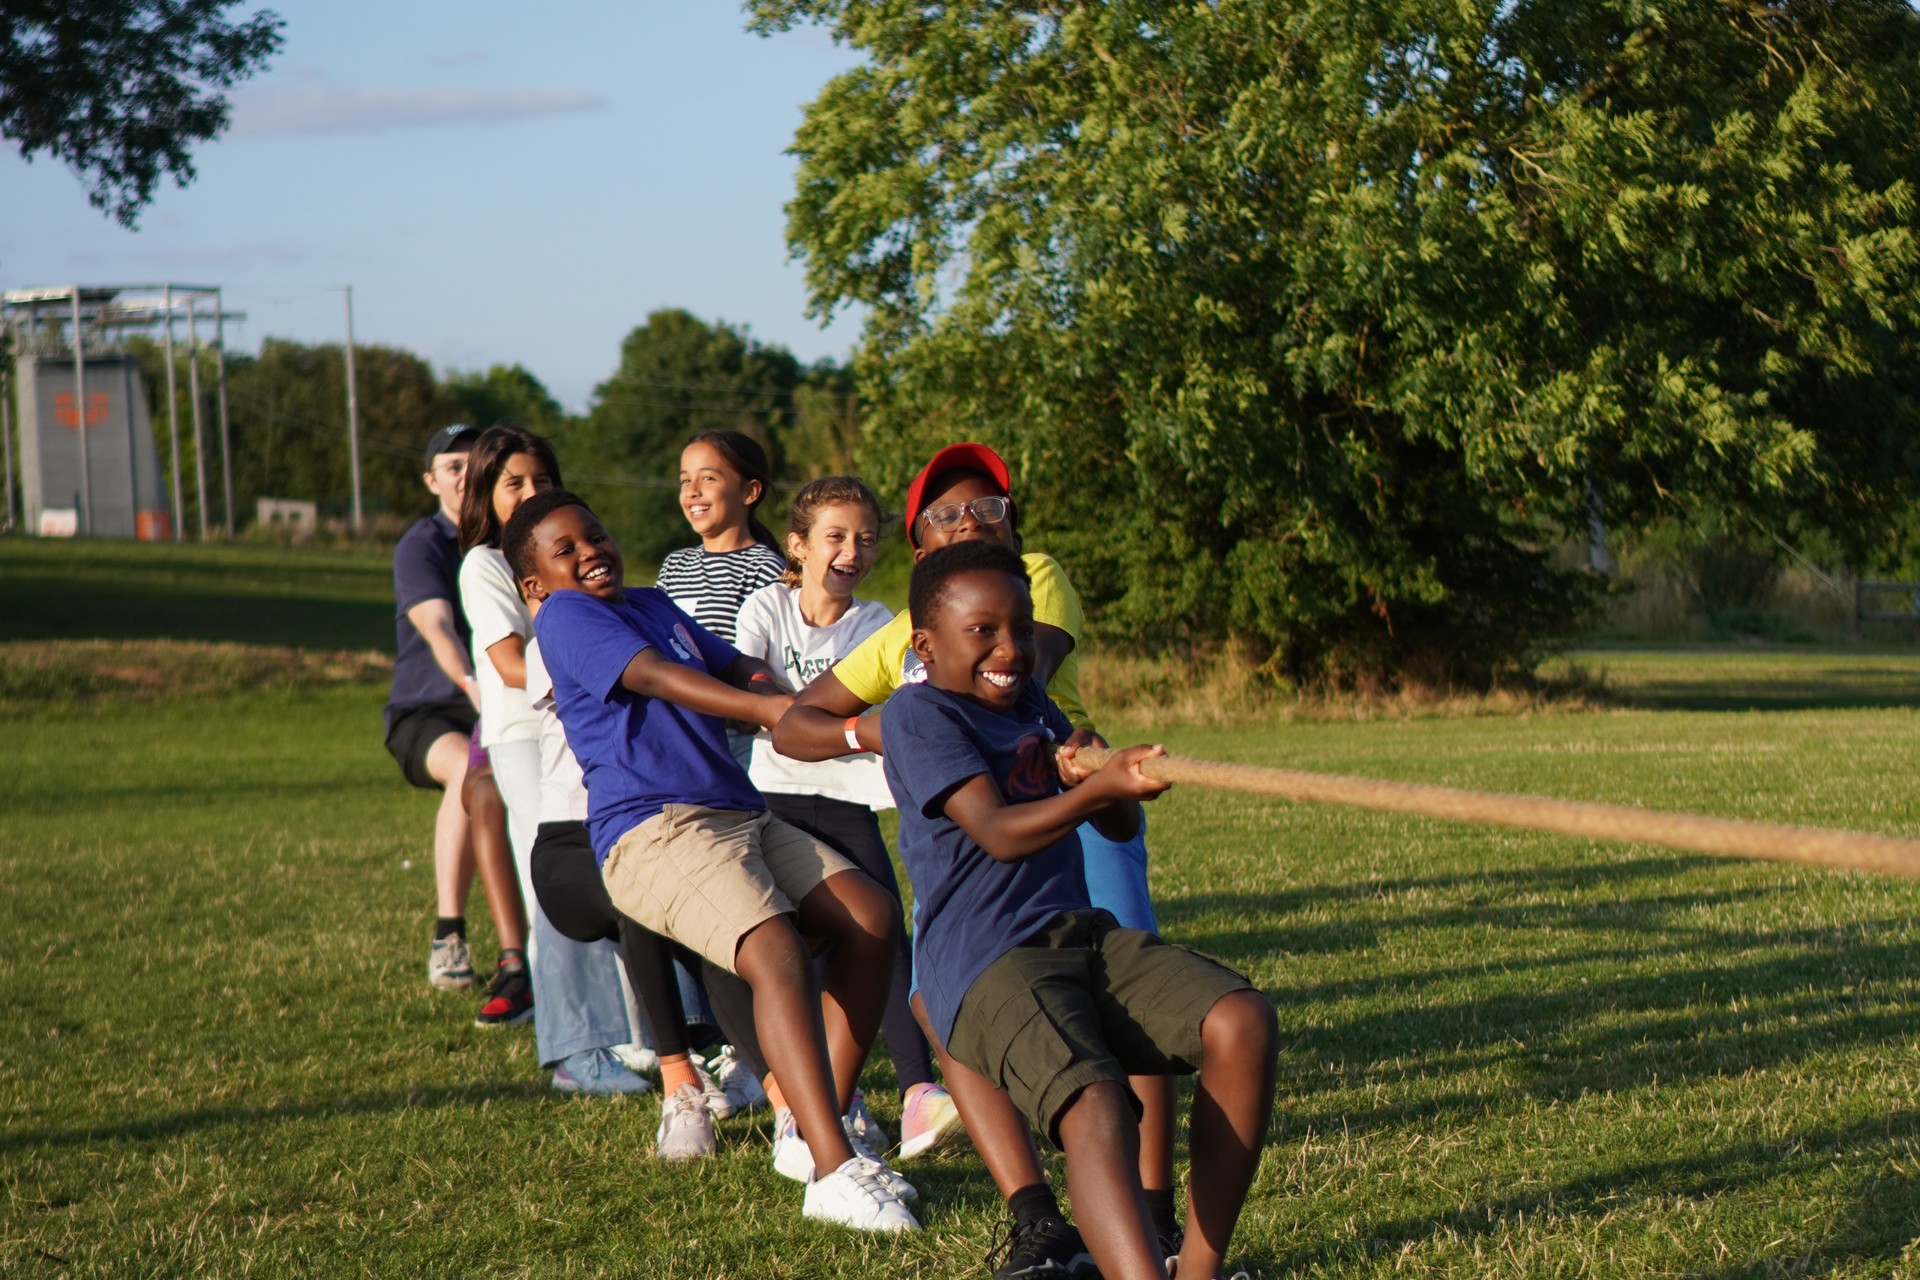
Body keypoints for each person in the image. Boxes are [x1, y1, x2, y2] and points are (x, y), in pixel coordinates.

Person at [771, 442, 1173, 1277]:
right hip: (976, 838)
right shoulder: (903, 640)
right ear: (919, 542)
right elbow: (793, 726)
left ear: (1010, 519)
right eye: (946, 513)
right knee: (938, 997)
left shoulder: (1034, 576)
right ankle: (1036, 1217)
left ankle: (1155, 1210)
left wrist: (966, 705)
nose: (969, 520)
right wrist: (869, 728)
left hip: (1074, 801)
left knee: (1129, 997)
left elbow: (1018, 672)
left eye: (985, 507)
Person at [505, 489, 918, 1232]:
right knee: (775, 950)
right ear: (534, 583)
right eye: (565, 549)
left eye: (595, 533)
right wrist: (768, 713)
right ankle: (832, 1168)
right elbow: (657, 679)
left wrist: (786, 698)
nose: (590, 550)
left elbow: (736, 665)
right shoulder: (567, 617)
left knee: (871, 916)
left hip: (739, 811)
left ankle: (813, 1124)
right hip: (654, 827)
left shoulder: (653, 606)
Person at [883, 541, 1279, 1280]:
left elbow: (1117, 827)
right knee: (1095, 1103)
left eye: (1024, 628)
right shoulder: (919, 712)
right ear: (925, 646)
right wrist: (1092, 791)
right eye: (985, 631)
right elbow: (998, 834)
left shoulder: (1034, 702)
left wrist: (1106, 776)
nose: (1011, 647)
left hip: (1077, 934)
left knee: (1241, 1021)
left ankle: (1196, 1270)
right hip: (983, 962)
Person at [733, 476, 962, 1165]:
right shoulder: (765, 608)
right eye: (835, 536)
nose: (852, 550)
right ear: (798, 545)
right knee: (780, 947)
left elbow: (857, 710)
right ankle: (800, 1097)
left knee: (882, 931)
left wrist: (811, 714)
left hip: (851, 799)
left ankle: (918, 1090)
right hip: (772, 794)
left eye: (866, 538)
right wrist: (833, 715)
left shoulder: (879, 622)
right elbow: (751, 689)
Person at [456, 424, 650, 1088]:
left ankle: (632, 1033)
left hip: (578, 729)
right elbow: (509, 663)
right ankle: (574, 1050)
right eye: (514, 483)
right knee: (557, 880)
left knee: (612, 870)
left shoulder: (567, 554)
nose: (531, 492)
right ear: (486, 492)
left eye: (542, 479)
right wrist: (595, 662)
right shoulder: (486, 564)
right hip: (523, 735)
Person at [381, 423, 529, 1011]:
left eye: (475, 463)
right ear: (431, 480)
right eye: (451, 466)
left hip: (504, 702)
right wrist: (474, 686)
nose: (464, 475)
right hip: (430, 708)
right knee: (473, 773)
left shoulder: (514, 538)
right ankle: (450, 933)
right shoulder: (424, 544)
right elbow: (438, 628)